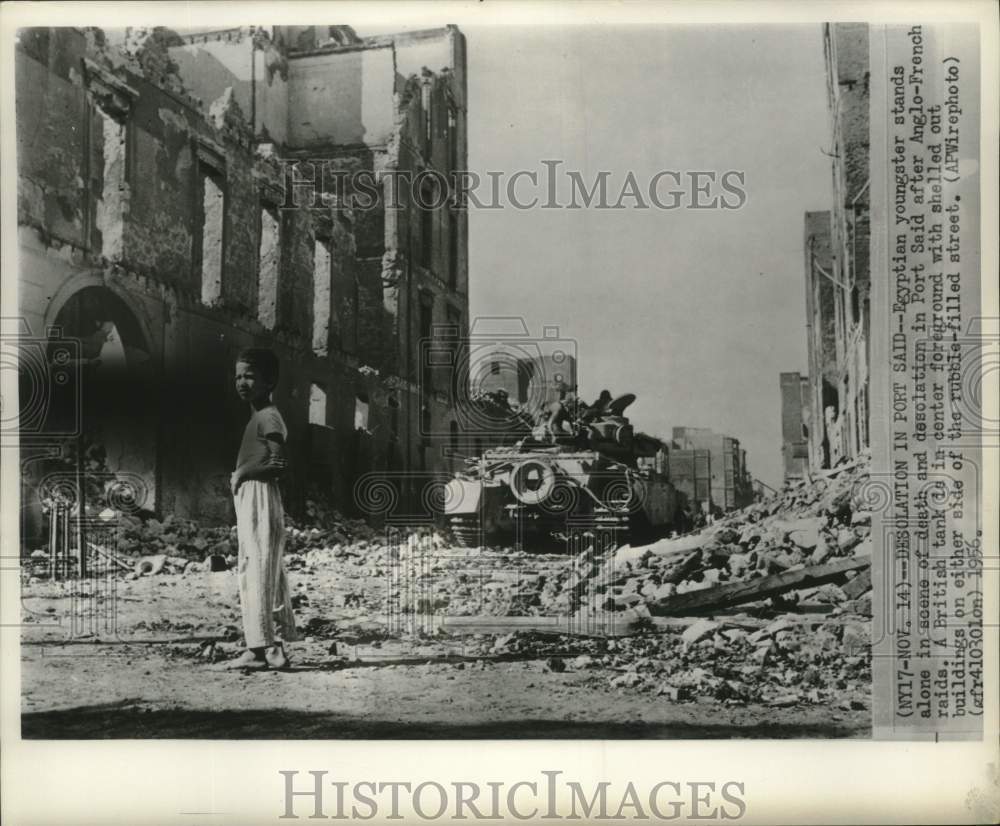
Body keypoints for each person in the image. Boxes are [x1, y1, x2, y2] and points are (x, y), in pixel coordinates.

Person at [214, 347, 297, 670]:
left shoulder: (268, 416)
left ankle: (268, 647)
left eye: (250, 376)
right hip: (252, 498)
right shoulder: (259, 417)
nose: (242, 382)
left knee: (259, 569)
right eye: (238, 376)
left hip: (261, 496)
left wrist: (244, 473)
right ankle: (259, 648)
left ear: (270, 381)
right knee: (257, 568)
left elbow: (278, 464)